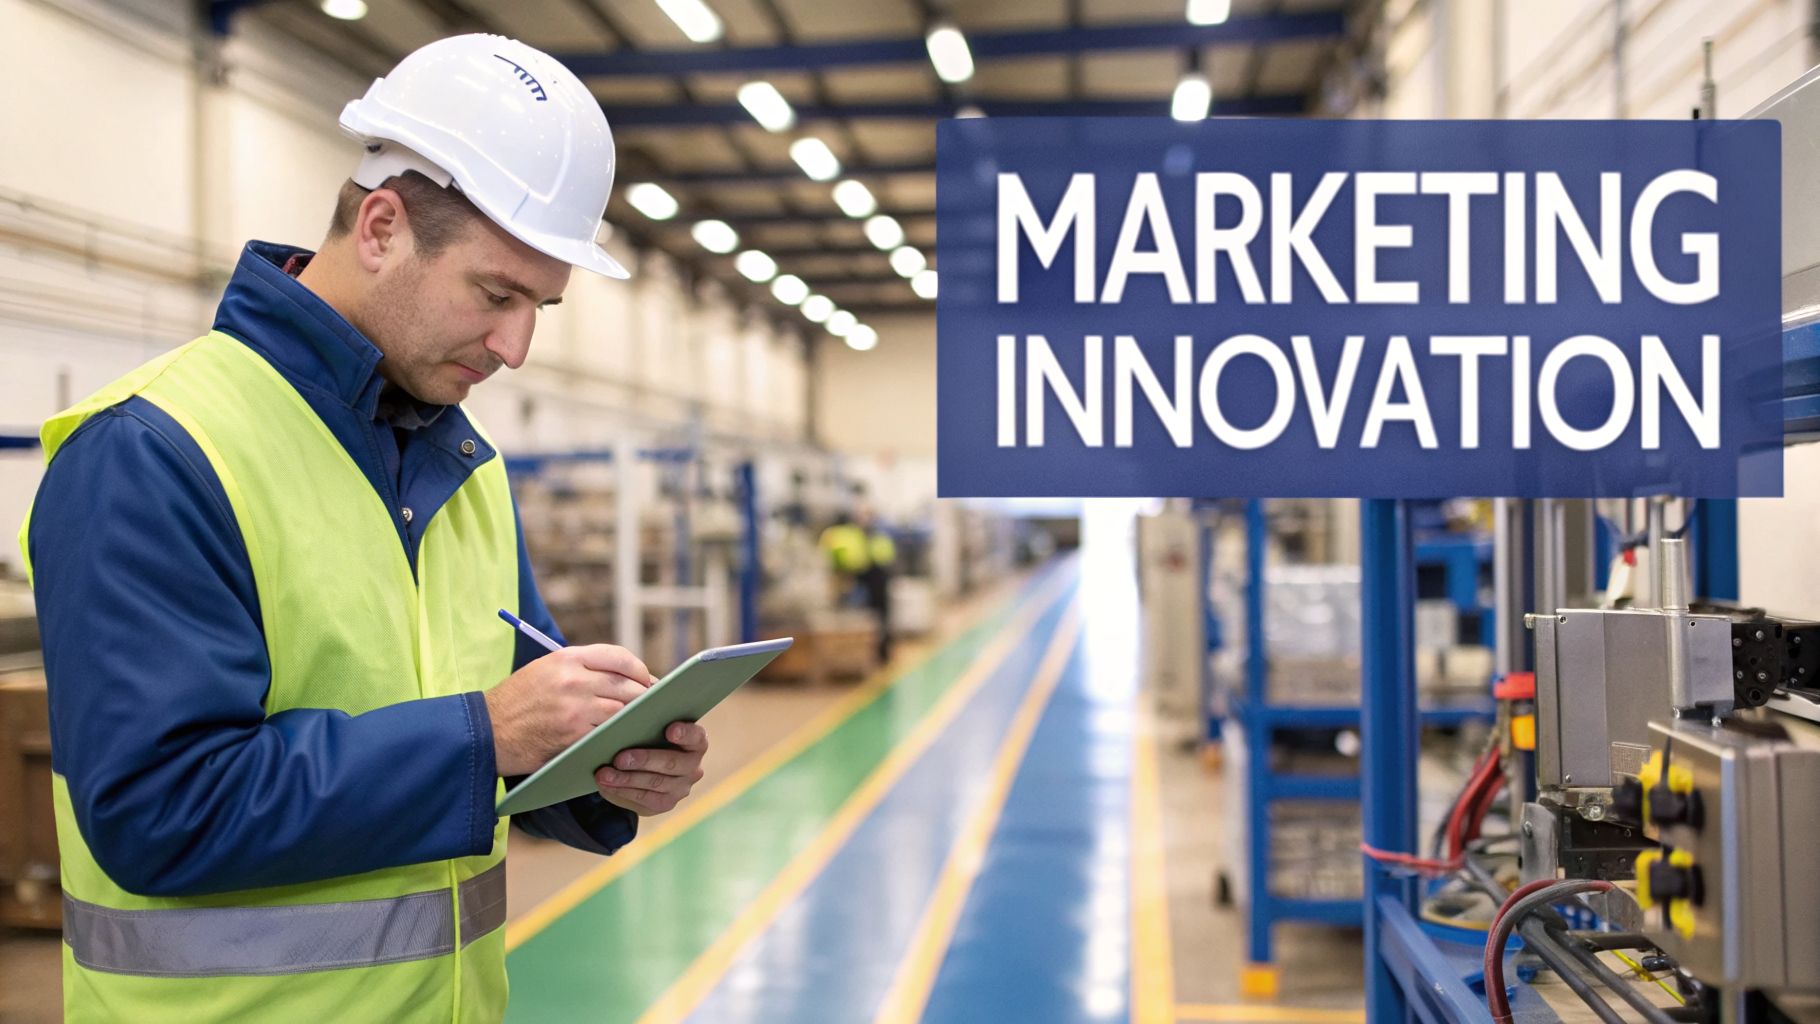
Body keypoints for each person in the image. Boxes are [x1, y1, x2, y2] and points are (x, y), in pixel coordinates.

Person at [18, 34, 707, 1022]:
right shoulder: (156, 449)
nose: (516, 346)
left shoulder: (465, 464)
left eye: (541, 306)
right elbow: (161, 809)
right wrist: (484, 735)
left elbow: (513, 738)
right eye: (497, 294)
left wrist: (609, 764)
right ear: (381, 228)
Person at [819, 501, 897, 663]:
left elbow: (885, 557)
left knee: (879, 618)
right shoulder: (849, 536)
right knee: (858, 617)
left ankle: (881, 652)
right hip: (859, 578)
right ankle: (856, 655)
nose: (864, 519)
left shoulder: (877, 536)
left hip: (878, 580)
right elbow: (847, 560)